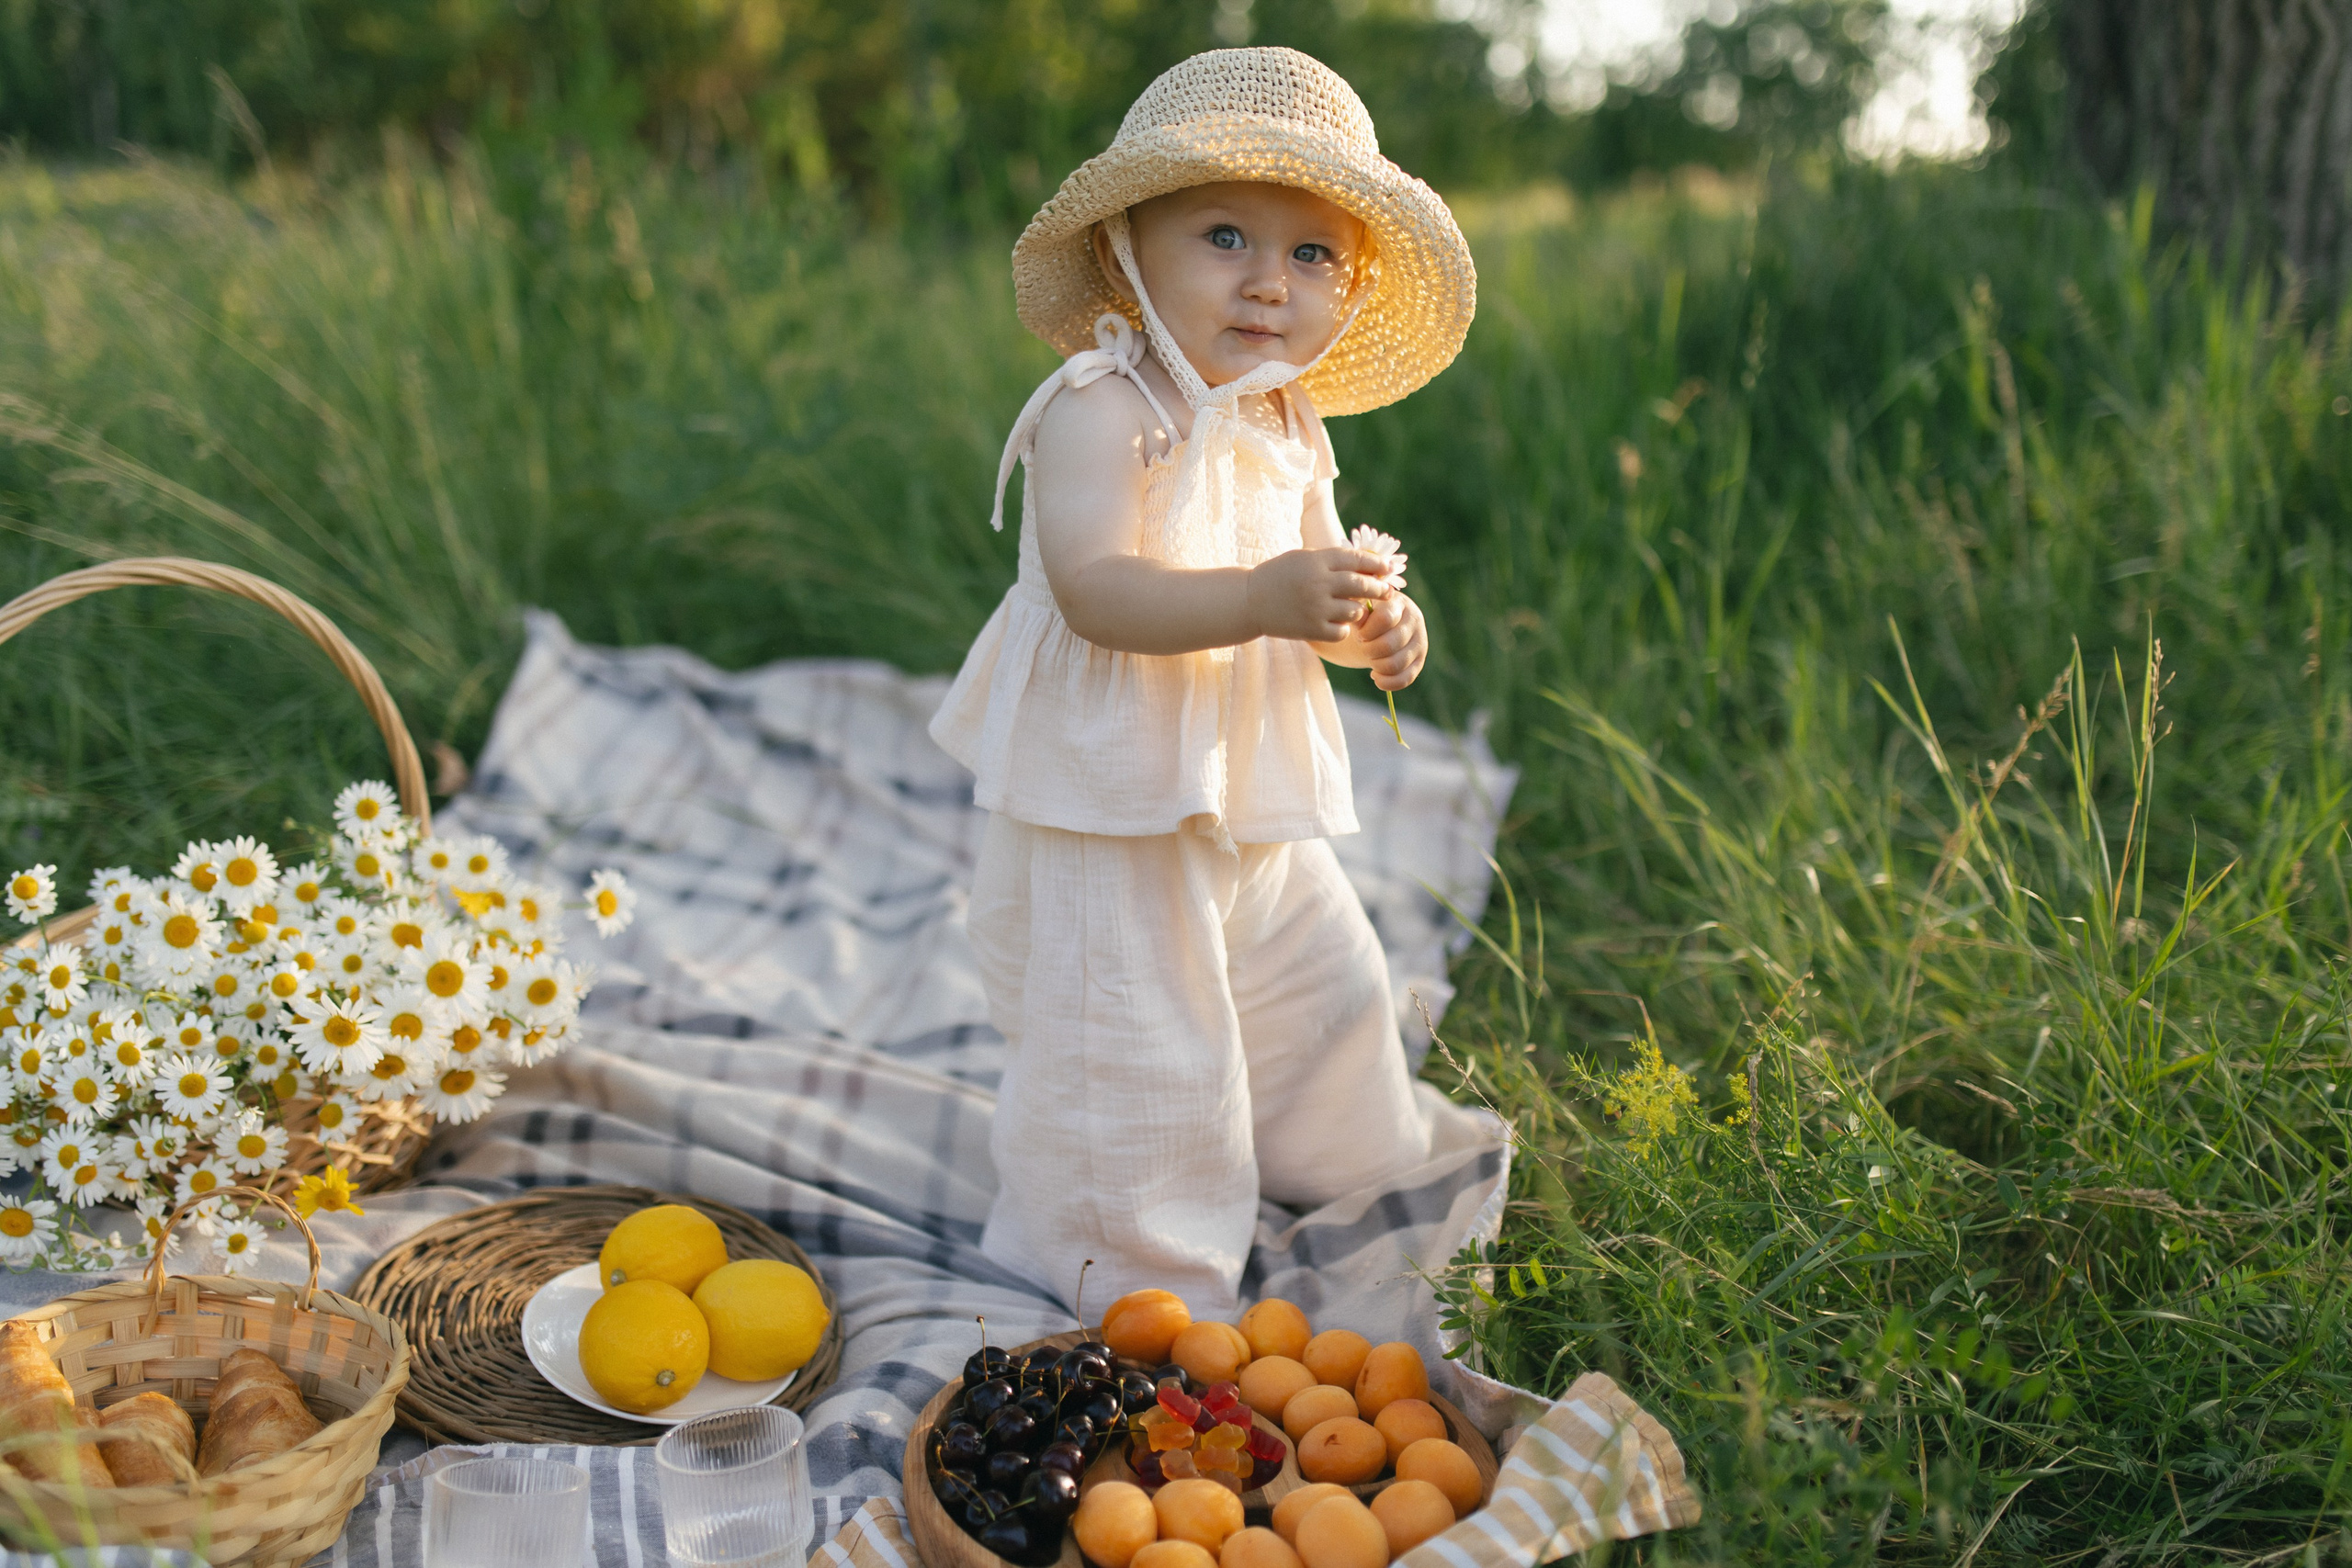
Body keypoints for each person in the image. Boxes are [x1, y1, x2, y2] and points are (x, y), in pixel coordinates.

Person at [929, 45, 1477, 1316]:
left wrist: (1369, 633)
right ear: (1126, 245)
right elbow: (1096, 589)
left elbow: (1304, 596)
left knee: (1321, 976)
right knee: (1135, 1035)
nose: (1268, 282)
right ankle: (1132, 1275)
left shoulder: (1288, 420)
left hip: (1245, 775)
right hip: (1113, 790)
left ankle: (1341, 1160)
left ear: (1349, 286)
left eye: (1311, 254)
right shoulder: (1101, 408)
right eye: (1225, 236)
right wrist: (1260, 599)